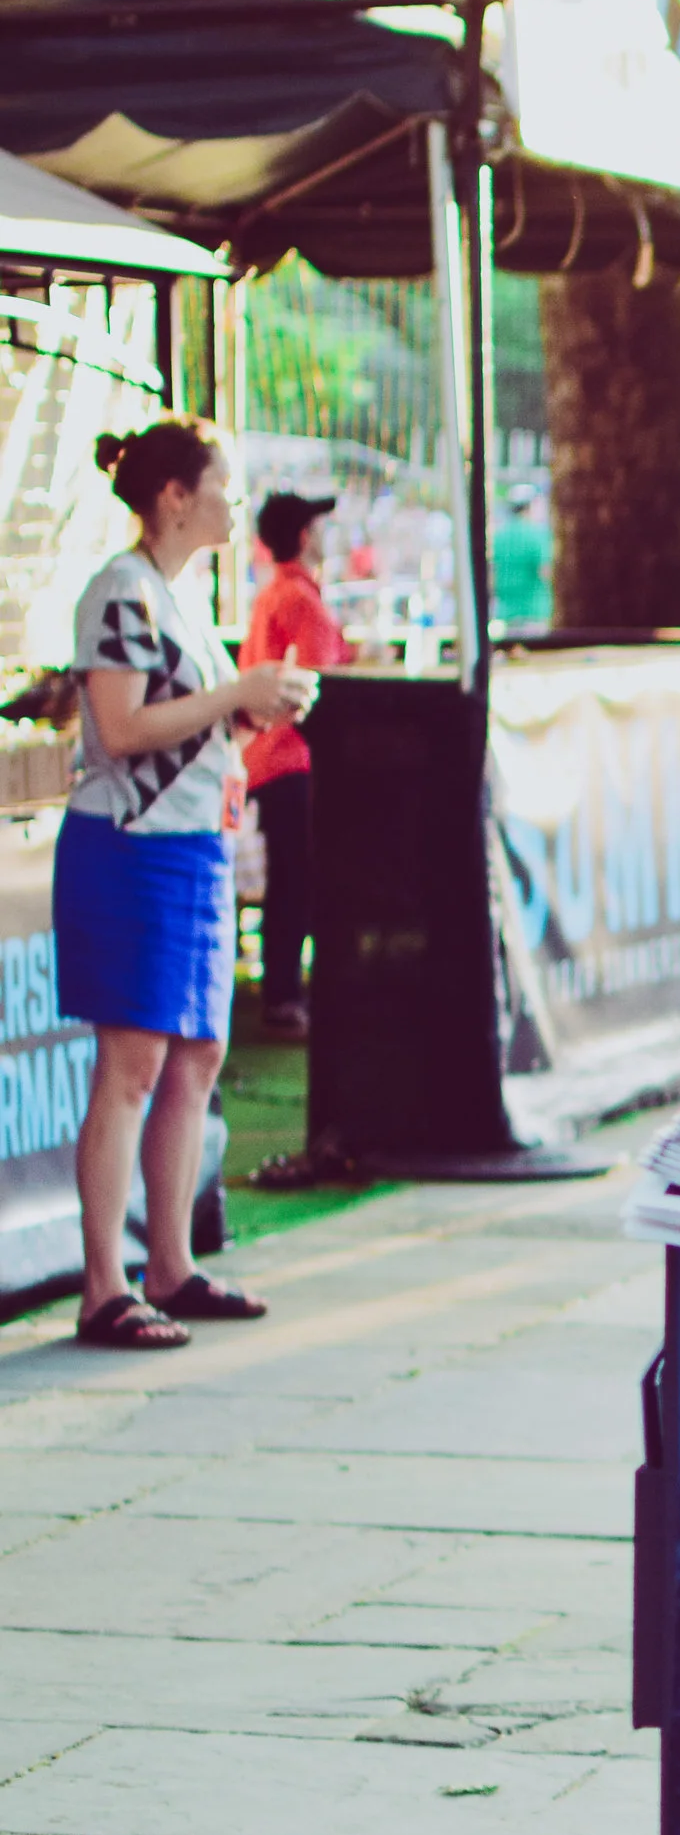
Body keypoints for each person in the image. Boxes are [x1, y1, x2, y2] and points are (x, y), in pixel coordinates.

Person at [56, 422, 317, 1350]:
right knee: (130, 1065)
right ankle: (104, 1285)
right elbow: (121, 731)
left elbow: (191, 741)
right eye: (224, 483)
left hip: (190, 848)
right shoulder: (120, 593)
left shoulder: (178, 595)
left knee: (194, 1060)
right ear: (175, 494)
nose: (236, 500)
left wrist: (252, 714)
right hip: (131, 851)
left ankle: (169, 1263)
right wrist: (234, 693)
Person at [240, 489, 350, 1036]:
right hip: (292, 761)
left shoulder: (273, 594)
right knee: (296, 882)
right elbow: (319, 685)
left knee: (288, 880)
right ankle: (284, 997)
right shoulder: (300, 601)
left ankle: (281, 992)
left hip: (267, 757)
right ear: (305, 536)